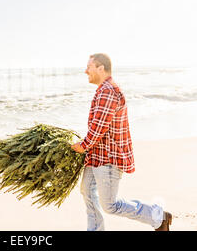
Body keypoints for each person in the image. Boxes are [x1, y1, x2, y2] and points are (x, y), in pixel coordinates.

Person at [71, 53, 172, 231]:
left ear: (101, 68)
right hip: (96, 156)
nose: (86, 71)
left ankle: (157, 216)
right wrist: (86, 146)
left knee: (111, 205)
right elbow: (99, 126)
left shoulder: (108, 91)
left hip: (108, 158)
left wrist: (83, 145)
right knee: (87, 191)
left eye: (89, 67)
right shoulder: (103, 89)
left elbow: (99, 127)